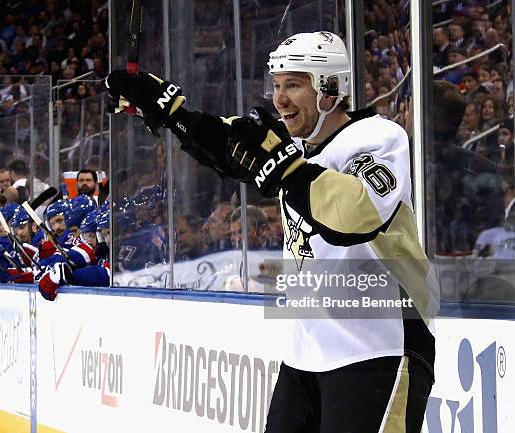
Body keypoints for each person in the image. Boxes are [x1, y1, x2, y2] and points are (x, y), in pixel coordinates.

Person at [107, 31, 435, 433]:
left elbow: (355, 217)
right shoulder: (295, 145)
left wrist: (287, 169)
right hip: (307, 353)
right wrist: (168, 111)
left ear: (331, 88)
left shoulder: (379, 138)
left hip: (382, 348)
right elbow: (229, 145)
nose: (280, 98)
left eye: (294, 85)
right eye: (277, 85)